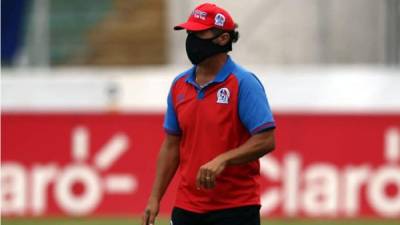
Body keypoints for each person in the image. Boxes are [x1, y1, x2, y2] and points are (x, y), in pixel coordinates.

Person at [142, 3, 276, 225]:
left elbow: (266, 140)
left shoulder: (243, 83)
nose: (191, 39)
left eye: (198, 33)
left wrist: (224, 159)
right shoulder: (179, 85)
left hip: (236, 209)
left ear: (223, 39)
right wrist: (155, 198)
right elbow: (171, 145)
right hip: (186, 208)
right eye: (189, 33)